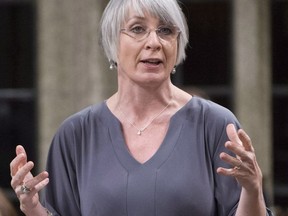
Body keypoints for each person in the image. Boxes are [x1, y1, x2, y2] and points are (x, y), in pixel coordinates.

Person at [10, 0, 273, 215]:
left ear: (177, 45)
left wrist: (252, 189)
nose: (154, 42)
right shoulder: (76, 134)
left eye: (166, 31)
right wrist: (32, 207)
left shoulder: (215, 124)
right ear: (113, 42)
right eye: (137, 29)